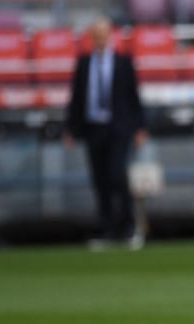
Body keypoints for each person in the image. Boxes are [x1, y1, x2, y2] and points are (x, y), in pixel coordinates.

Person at [64, 16, 147, 250]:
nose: (100, 39)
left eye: (103, 34)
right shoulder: (83, 63)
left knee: (117, 175)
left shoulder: (123, 62)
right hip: (93, 128)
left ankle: (129, 227)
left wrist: (140, 127)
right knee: (99, 180)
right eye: (95, 35)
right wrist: (71, 128)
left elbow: (134, 97)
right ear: (91, 38)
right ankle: (108, 230)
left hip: (118, 128)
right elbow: (76, 98)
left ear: (110, 35)